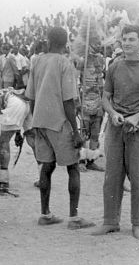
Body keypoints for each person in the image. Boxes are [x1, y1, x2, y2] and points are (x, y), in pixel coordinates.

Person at [91, 24, 139, 239]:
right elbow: (105, 97)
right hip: (115, 126)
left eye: (132, 39)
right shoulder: (114, 67)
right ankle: (110, 221)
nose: (127, 43)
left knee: (137, 177)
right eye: (124, 39)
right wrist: (112, 113)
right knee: (112, 175)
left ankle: (136, 224)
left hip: (138, 128)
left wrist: (137, 117)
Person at [25, 27, 95, 229]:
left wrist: (35, 121)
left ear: (48, 41)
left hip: (40, 122)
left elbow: (31, 97)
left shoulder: (37, 61)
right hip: (59, 123)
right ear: (66, 44)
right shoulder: (65, 63)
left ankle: (45, 214)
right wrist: (75, 130)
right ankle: (74, 218)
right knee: (73, 168)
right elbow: (68, 102)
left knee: (46, 167)